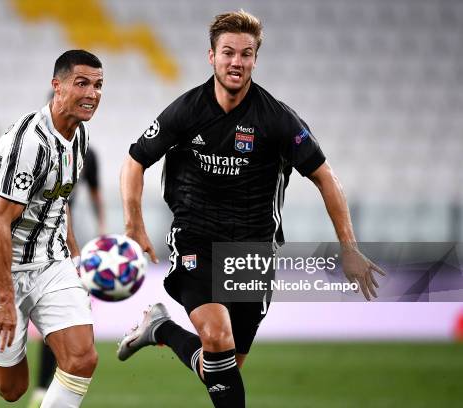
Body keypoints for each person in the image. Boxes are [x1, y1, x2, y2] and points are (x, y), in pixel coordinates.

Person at [117, 10, 385, 408]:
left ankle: (159, 329)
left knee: (222, 367)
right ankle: (165, 328)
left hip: (251, 250)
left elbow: (325, 176)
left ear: (255, 60)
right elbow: (135, 161)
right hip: (197, 239)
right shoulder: (187, 110)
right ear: (211, 56)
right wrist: (134, 223)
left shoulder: (276, 119)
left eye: (245, 54)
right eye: (227, 53)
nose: (236, 62)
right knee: (217, 336)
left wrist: (348, 246)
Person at [0, 49, 103, 407]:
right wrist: (6, 300)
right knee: (13, 390)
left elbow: (59, 197)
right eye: (81, 83)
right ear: (57, 86)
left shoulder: (79, 136)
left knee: (82, 359)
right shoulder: (29, 143)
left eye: (99, 85)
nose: (92, 94)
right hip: (1, 265)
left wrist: (73, 248)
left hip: (51, 263)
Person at [29, 140, 106, 408]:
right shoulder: (38, 147)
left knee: (64, 315)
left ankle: (46, 387)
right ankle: (43, 385)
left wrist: (101, 227)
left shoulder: (87, 153)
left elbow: (93, 192)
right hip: (34, 241)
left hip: (66, 234)